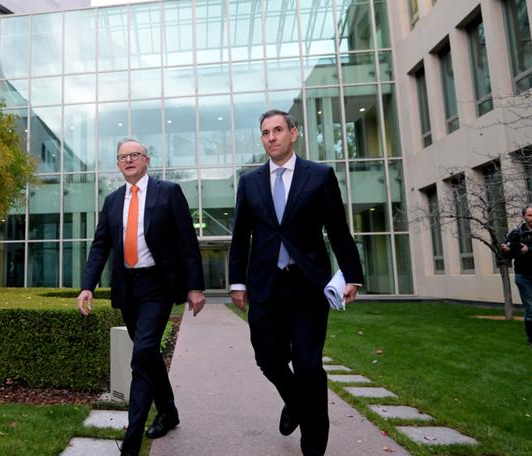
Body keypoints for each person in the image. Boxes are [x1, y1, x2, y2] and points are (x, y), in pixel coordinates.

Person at [228, 109, 364, 456]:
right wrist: (237, 283)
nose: (271, 137)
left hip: (307, 287)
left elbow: (338, 230)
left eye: (277, 130)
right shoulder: (250, 182)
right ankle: (295, 402)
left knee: (308, 365)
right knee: (268, 358)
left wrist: (352, 274)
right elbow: (241, 236)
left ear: (294, 133)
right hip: (265, 286)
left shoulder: (319, 176)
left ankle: (313, 446)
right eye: (264, 133)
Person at [77, 138, 206, 456]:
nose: (129, 160)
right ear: (118, 164)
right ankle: (169, 411)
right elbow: (100, 246)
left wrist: (195, 287)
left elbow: (187, 242)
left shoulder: (168, 192)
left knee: (142, 354)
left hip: (158, 286)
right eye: (123, 157)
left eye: (135, 155)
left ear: (147, 160)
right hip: (127, 287)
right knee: (148, 355)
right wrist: (87, 286)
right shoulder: (112, 200)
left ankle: (131, 442)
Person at [500, 204, 532, 348]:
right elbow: (506, 255)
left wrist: (528, 250)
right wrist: (506, 249)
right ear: (524, 216)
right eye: (530, 215)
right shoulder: (516, 233)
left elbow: (528, 250)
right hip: (523, 276)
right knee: (531, 309)